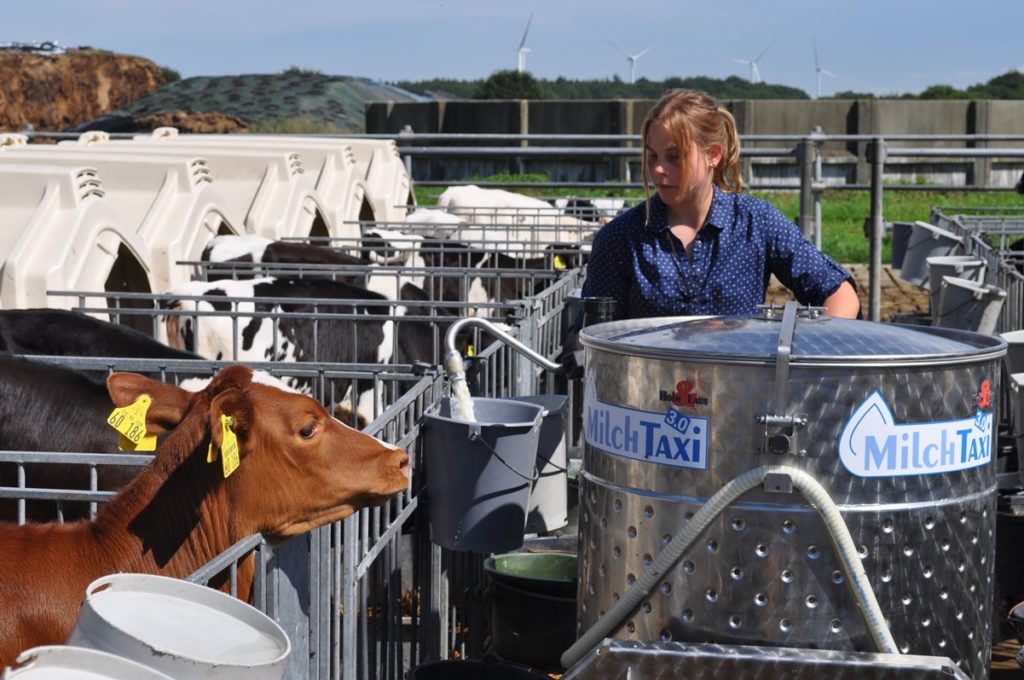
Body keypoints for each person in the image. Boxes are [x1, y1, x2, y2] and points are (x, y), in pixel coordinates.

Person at [578, 89, 861, 322]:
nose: (659, 170)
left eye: (674, 157)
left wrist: (811, 357)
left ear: (713, 154)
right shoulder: (619, 239)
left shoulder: (756, 222)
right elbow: (592, 337)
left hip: (740, 388)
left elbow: (840, 294)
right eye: (653, 157)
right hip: (649, 388)